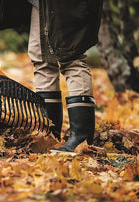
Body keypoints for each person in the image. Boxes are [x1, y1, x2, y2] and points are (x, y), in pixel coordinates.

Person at [27, 0, 103, 152]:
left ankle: (81, 139)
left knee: (71, 56)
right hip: (40, 4)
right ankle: (48, 135)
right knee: (42, 59)